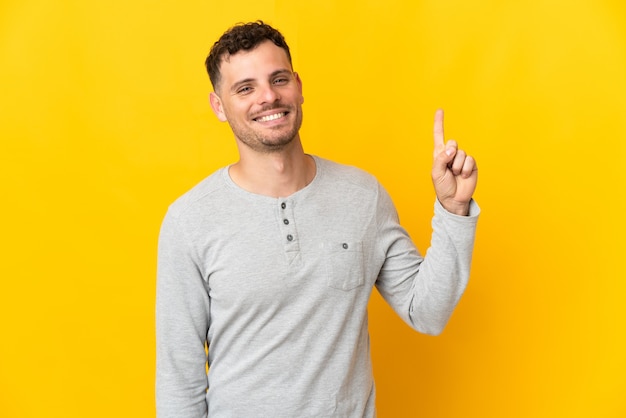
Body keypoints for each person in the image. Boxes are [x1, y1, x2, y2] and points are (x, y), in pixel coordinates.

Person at [156, 21, 479, 418]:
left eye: (279, 79)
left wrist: (453, 210)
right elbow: (179, 382)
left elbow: (427, 312)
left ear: (299, 86)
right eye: (245, 88)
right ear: (218, 106)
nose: (268, 97)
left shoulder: (362, 196)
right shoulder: (189, 220)